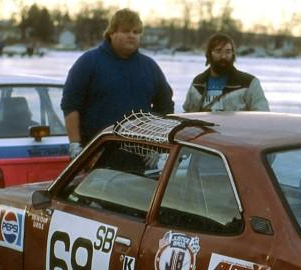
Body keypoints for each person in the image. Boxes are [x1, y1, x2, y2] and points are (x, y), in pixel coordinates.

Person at [61, 9, 174, 159]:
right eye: (125, 31)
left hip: (140, 157)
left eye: (136, 32)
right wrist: (75, 145)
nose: (131, 35)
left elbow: (165, 106)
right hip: (96, 155)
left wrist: (158, 144)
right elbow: (71, 105)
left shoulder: (149, 67)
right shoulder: (89, 62)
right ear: (111, 33)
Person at [182, 33, 269, 112]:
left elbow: (262, 116)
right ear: (209, 54)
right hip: (204, 129)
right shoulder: (198, 83)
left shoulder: (249, 83)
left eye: (228, 51)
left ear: (233, 54)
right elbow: (187, 115)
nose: (223, 56)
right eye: (218, 51)